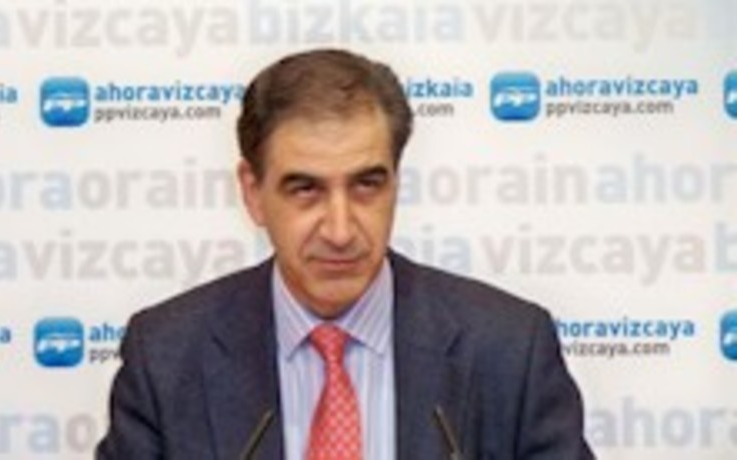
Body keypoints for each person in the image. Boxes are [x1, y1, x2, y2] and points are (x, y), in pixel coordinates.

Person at [96, 48, 595, 460]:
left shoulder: (509, 349)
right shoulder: (167, 356)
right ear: (253, 192)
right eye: (305, 189)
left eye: (366, 185)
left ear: (395, 183)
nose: (340, 231)